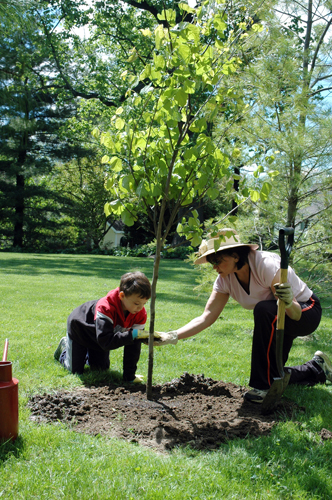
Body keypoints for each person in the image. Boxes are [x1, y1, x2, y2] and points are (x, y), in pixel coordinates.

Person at [154, 228, 332, 403]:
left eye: (217, 260)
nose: (214, 267)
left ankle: (262, 387)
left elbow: (293, 313)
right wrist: (172, 336)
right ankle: (316, 368)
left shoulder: (266, 265)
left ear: (236, 256)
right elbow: (206, 316)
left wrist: (288, 302)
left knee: (263, 309)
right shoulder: (225, 280)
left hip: (304, 312)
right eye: (211, 262)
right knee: (274, 372)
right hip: (275, 320)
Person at [54, 271, 151, 382]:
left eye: (144, 303)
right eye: (137, 303)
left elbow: (133, 346)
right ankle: (65, 348)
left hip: (100, 337)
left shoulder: (139, 314)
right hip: (80, 331)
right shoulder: (105, 308)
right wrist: (132, 334)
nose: (140, 308)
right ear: (122, 296)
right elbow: (106, 342)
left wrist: (129, 376)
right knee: (75, 371)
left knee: (101, 369)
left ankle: (83, 355)